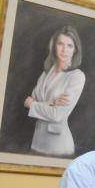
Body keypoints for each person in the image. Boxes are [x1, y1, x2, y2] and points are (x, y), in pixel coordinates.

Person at [24, 25, 86, 156]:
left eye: (69, 45)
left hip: (57, 145)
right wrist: (52, 102)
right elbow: (28, 102)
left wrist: (33, 105)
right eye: (60, 44)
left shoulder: (76, 76)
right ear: (54, 46)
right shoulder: (47, 72)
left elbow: (57, 115)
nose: (64, 50)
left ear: (75, 49)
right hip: (37, 141)